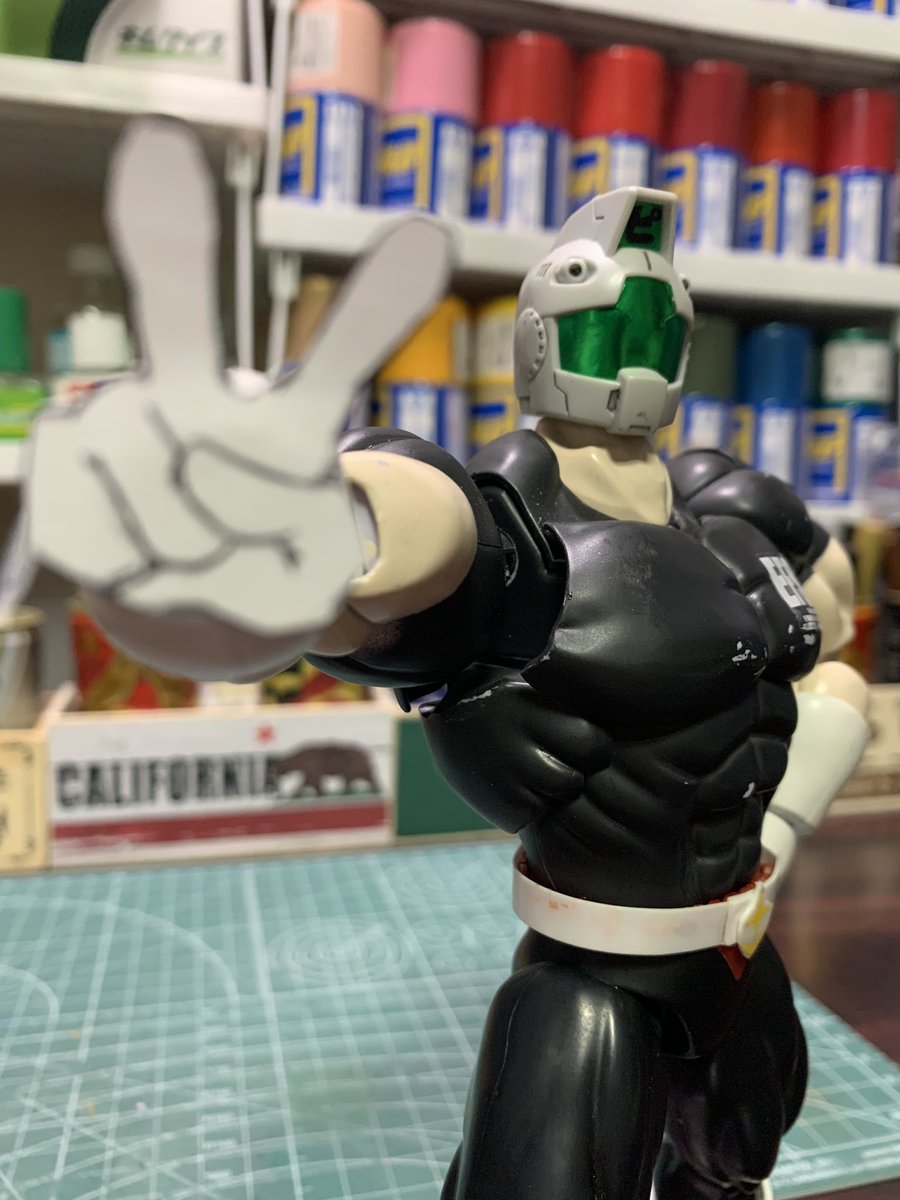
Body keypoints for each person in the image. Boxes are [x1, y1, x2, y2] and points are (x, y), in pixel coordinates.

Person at [27, 122, 869, 1200]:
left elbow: (829, 661)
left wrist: (791, 810)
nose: (636, 359)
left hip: (739, 946)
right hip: (593, 976)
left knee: (736, 1167)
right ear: (540, 343)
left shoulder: (730, 510)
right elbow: (403, 549)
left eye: (657, 330)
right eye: (609, 332)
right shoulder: (512, 529)